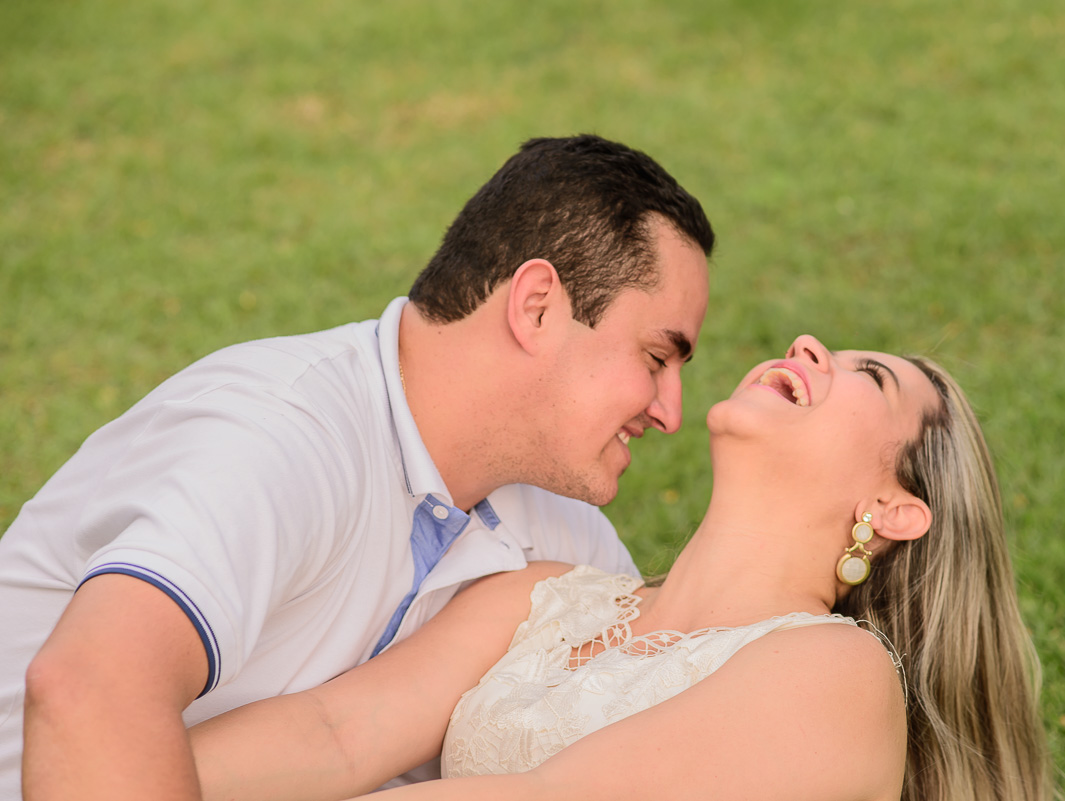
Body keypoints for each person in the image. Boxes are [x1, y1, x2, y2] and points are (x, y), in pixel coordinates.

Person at [0, 134, 714, 800]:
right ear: (535, 308)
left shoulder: (569, 542)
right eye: (656, 358)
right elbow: (87, 691)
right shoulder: (279, 434)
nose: (670, 411)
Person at [190, 334, 1053, 801]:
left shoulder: (839, 672)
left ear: (898, 508)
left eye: (870, 374)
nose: (809, 342)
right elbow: (333, 733)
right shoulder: (540, 593)